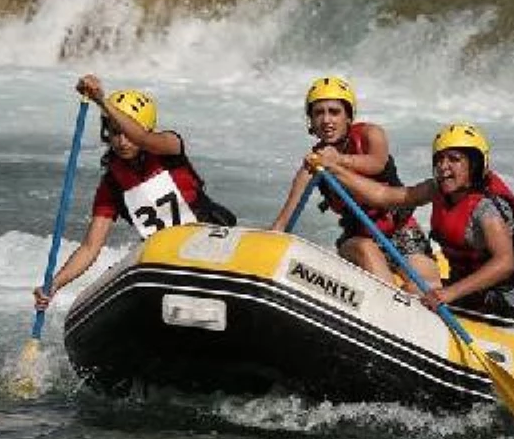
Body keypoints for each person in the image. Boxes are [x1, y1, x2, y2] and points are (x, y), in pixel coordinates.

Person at [34, 74, 235, 311]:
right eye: (114, 132)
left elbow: (142, 137)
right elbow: (90, 247)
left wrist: (101, 100)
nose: (122, 141)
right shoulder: (112, 185)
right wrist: (54, 284)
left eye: (126, 132)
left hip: (213, 244)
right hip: (167, 260)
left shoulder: (169, 147)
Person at [316, 122, 514, 319]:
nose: (444, 166)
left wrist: (450, 293)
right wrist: (335, 170)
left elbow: (505, 264)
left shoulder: (486, 209)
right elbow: (383, 194)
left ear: (474, 165)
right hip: (465, 289)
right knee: (411, 292)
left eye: (454, 159)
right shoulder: (437, 188)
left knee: (414, 298)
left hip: (498, 300)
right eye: (439, 160)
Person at [270, 75, 439, 287]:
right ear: (311, 121)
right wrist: (269, 243)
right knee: (366, 250)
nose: (326, 120)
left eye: (334, 112)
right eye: (318, 113)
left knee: (426, 286)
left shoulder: (371, 134)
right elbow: (284, 220)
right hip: (358, 241)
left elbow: (377, 162)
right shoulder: (312, 165)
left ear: (348, 117)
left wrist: (337, 160)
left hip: (401, 231)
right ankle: (386, 303)